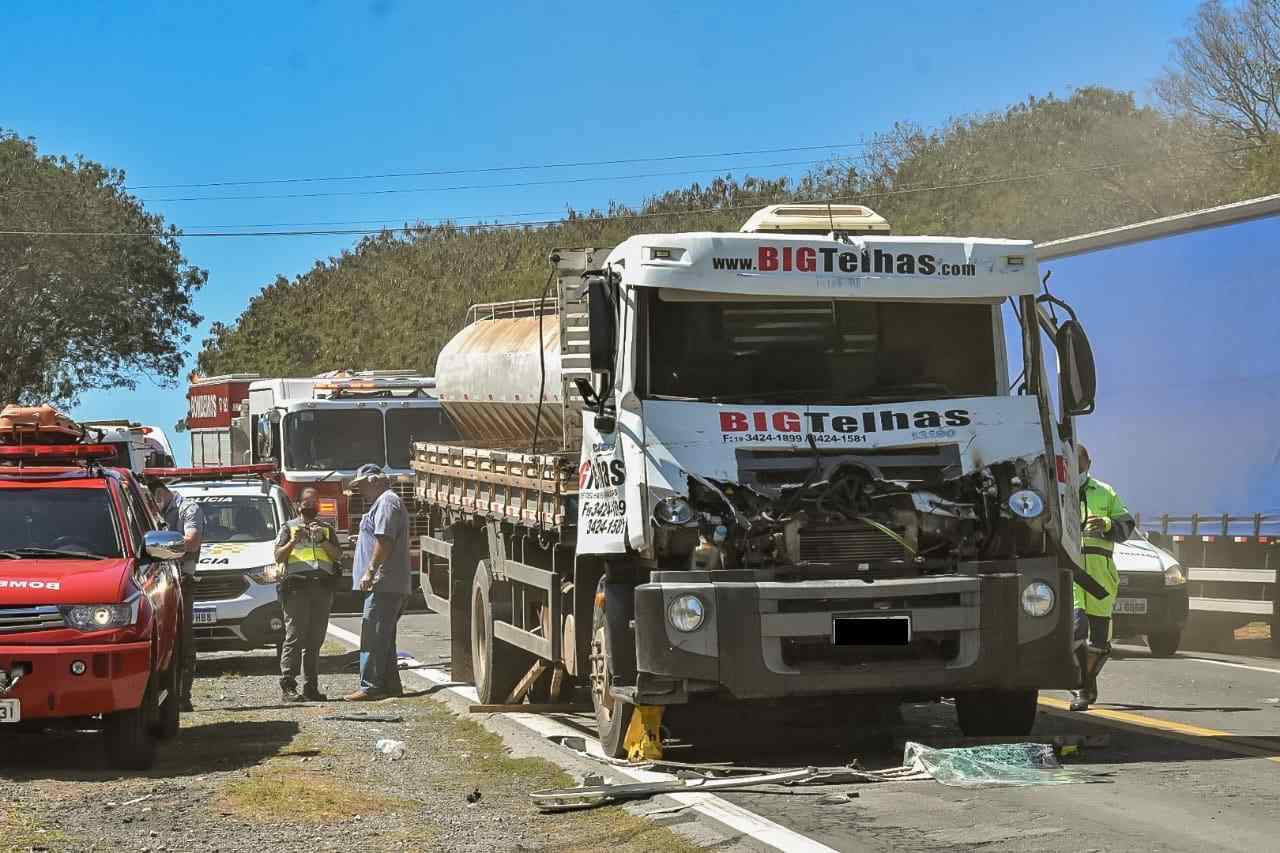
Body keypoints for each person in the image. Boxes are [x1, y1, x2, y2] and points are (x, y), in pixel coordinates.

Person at [1071, 444, 1135, 711]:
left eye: (1080, 462)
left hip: (1100, 575)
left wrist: (1108, 524)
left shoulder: (1105, 492)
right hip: (1072, 573)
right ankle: (1081, 688)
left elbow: (1127, 526)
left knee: (1099, 640)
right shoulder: (1057, 491)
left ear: (1089, 463)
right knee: (1077, 627)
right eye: (1070, 461)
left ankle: (1088, 682)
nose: (1076, 467)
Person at [344, 464, 411, 701]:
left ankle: (370, 686)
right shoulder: (383, 502)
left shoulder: (386, 502)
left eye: (361, 485)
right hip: (385, 583)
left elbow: (385, 540)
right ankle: (391, 686)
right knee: (384, 637)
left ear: (374, 480)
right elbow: (379, 537)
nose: (360, 491)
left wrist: (370, 571)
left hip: (384, 583)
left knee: (373, 636)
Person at [273, 488, 342, 703]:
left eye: (314, 502)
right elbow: (278, 556)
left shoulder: (326, 529)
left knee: (315, 639)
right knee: (294, 636)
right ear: (298, 505)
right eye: (307, 502)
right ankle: (288, 686)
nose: (311, 506)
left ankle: (311, 687)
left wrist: (322, 540)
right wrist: (294, 541)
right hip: (296, 589)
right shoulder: (289, 528)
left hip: (322, 588)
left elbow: (337, 555)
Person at [147, 478, 205, 712]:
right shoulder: (148, 509)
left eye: (152, 501)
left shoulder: (188, 509)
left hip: (182, 580)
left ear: (160, 495)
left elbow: (192, 542)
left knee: (183, 638)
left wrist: (159, 549)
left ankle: (183, 695)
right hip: (154, 581)